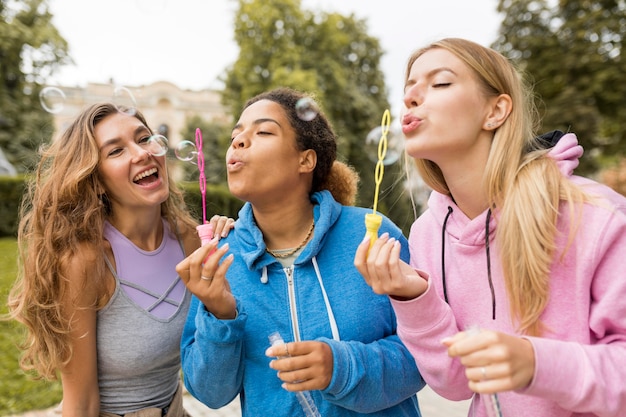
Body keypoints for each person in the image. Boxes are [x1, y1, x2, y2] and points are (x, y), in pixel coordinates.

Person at [354, 37, 626, 417]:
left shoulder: (594, 215)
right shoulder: (429, 234)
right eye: (409, 89)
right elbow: (454, 384)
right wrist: (412, 296)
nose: (412, 97)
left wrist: (536, 363)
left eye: (441, 83)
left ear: (496, 111)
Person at [176, 87, 425, 416]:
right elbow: (210, 393)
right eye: (236, 135)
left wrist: (341, 367)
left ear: (305, 159)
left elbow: (426, 354)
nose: (237, 142)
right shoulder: (223, 258)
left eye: (263, 131)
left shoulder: (371, 235)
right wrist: (220, 315)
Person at [7, 103, 233, 417]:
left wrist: (233, 246)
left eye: (144, 139)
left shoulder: (191, 239)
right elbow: (81, 403)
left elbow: (217, 370)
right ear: (96, 179)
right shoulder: (86, 260)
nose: (141, 154)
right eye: (115, 151)